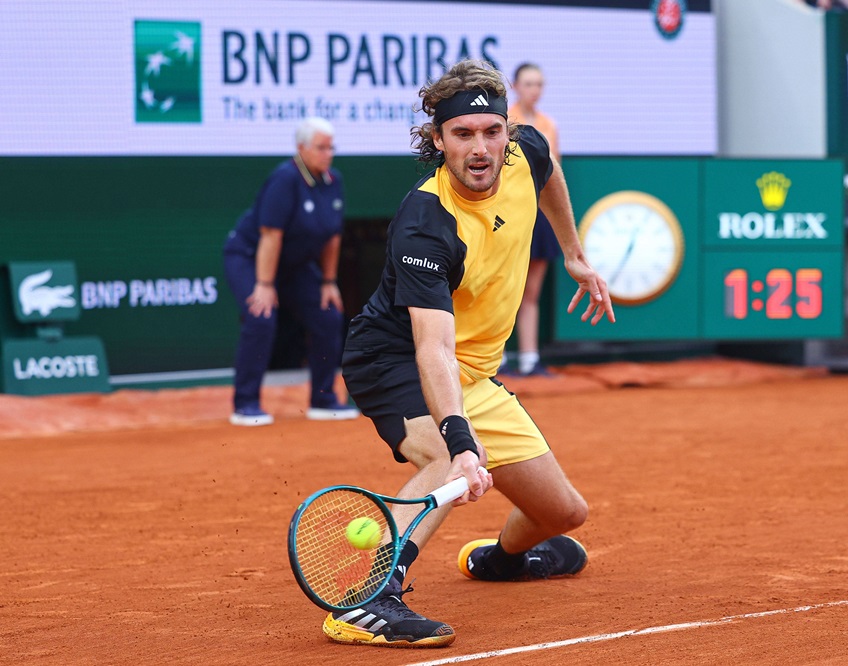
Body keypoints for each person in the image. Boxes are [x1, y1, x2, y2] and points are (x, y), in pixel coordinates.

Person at [323, 59, 615, 649]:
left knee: (562, 516)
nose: (480, 149)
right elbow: (432, 349)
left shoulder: (524, 152)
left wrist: (573, 254)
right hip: (395, 358)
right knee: (442, 458)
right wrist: (460, 445)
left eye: (491, 132)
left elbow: (549, 171)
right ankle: (366, 602)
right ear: (438, 140)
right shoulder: (425, 223)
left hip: (474, 371)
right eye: (462, 135)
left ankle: (499, 562)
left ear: (508, 133)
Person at [222, 117, 359, 426]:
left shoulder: (333, 181)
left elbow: (332, 237)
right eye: (321, 147)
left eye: (331, 147)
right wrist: (265, 284)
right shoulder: (284, 179)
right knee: (261, 316)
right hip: (249, 257)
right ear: (301, 148)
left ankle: (323, 399)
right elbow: (271, 235)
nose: (328, 153)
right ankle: (246, 404)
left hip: (296, 267)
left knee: (328, 315)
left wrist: (328, 281)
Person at [504, 62, 561, 376]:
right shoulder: (504, 121)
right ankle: (494, 362)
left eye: (539, 84)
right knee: (502, 287)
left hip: (539, 215)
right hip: (510, 215)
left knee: (531, 291)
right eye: (528, 83)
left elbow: (554, 174)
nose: (534, 90)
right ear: (515, 86)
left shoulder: (548, 124)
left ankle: (529, 359)